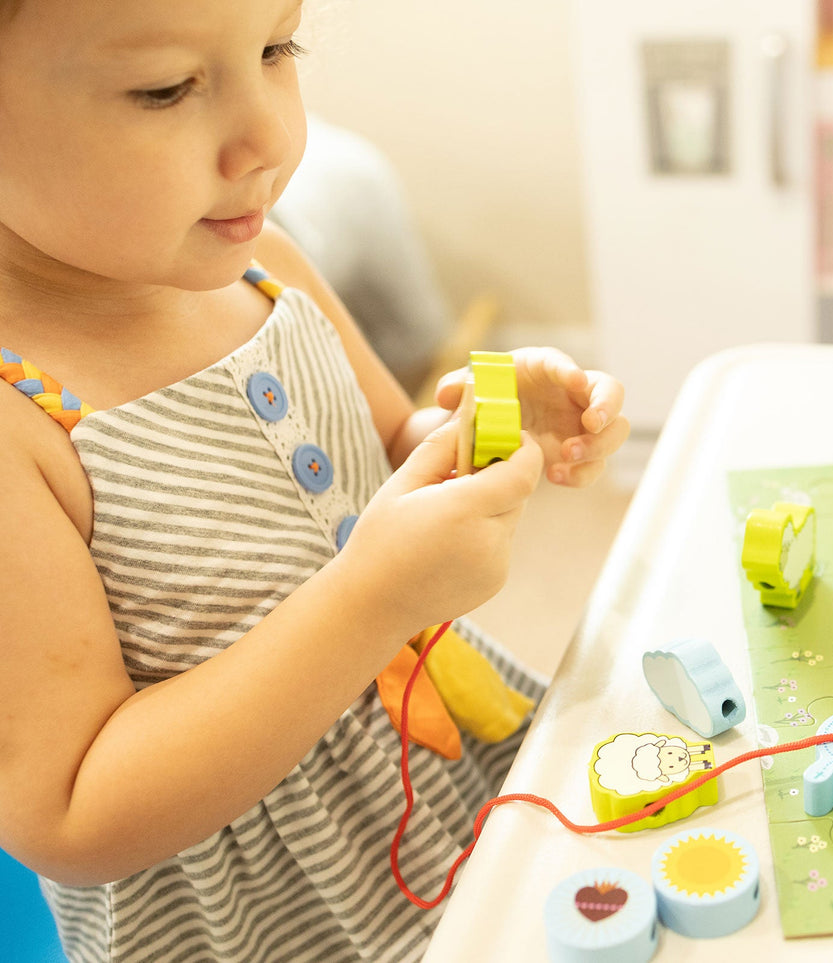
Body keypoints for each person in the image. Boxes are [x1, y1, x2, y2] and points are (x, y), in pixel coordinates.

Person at [0, 1, 629, 960]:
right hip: (262, 918)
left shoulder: (264, 265)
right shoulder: (19, 425)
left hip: (438, 781)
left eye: (275, 49)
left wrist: (477, 430)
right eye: (165, 88)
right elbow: (72, 816)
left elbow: (382, 451)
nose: (272, 136)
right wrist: (374, 596)